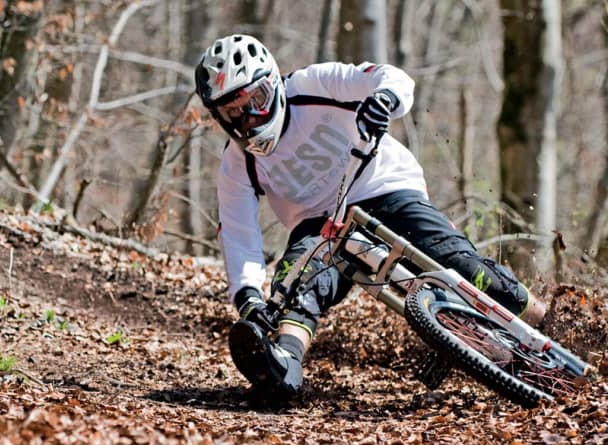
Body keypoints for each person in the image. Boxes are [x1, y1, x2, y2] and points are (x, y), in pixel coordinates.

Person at [194, 34, 545, 395]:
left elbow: (391, 77)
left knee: (461, 264)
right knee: (298, 282)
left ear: (273, 82)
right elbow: (240, 236)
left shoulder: (314, 84)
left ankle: (549, 323)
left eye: (257, 101)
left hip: (383, 185)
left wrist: (384, 99)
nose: (249, 118)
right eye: (233, 112)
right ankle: (284, 364)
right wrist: (248, 297)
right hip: (320, 222)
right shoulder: (237, 163)